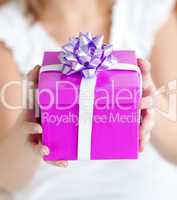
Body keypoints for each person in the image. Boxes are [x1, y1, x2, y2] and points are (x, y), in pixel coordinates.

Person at [0, 0, 177, 199]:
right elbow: (7, 180)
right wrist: (28, 125)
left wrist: (151, 106)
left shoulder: (149, 11)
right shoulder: (7, 32)